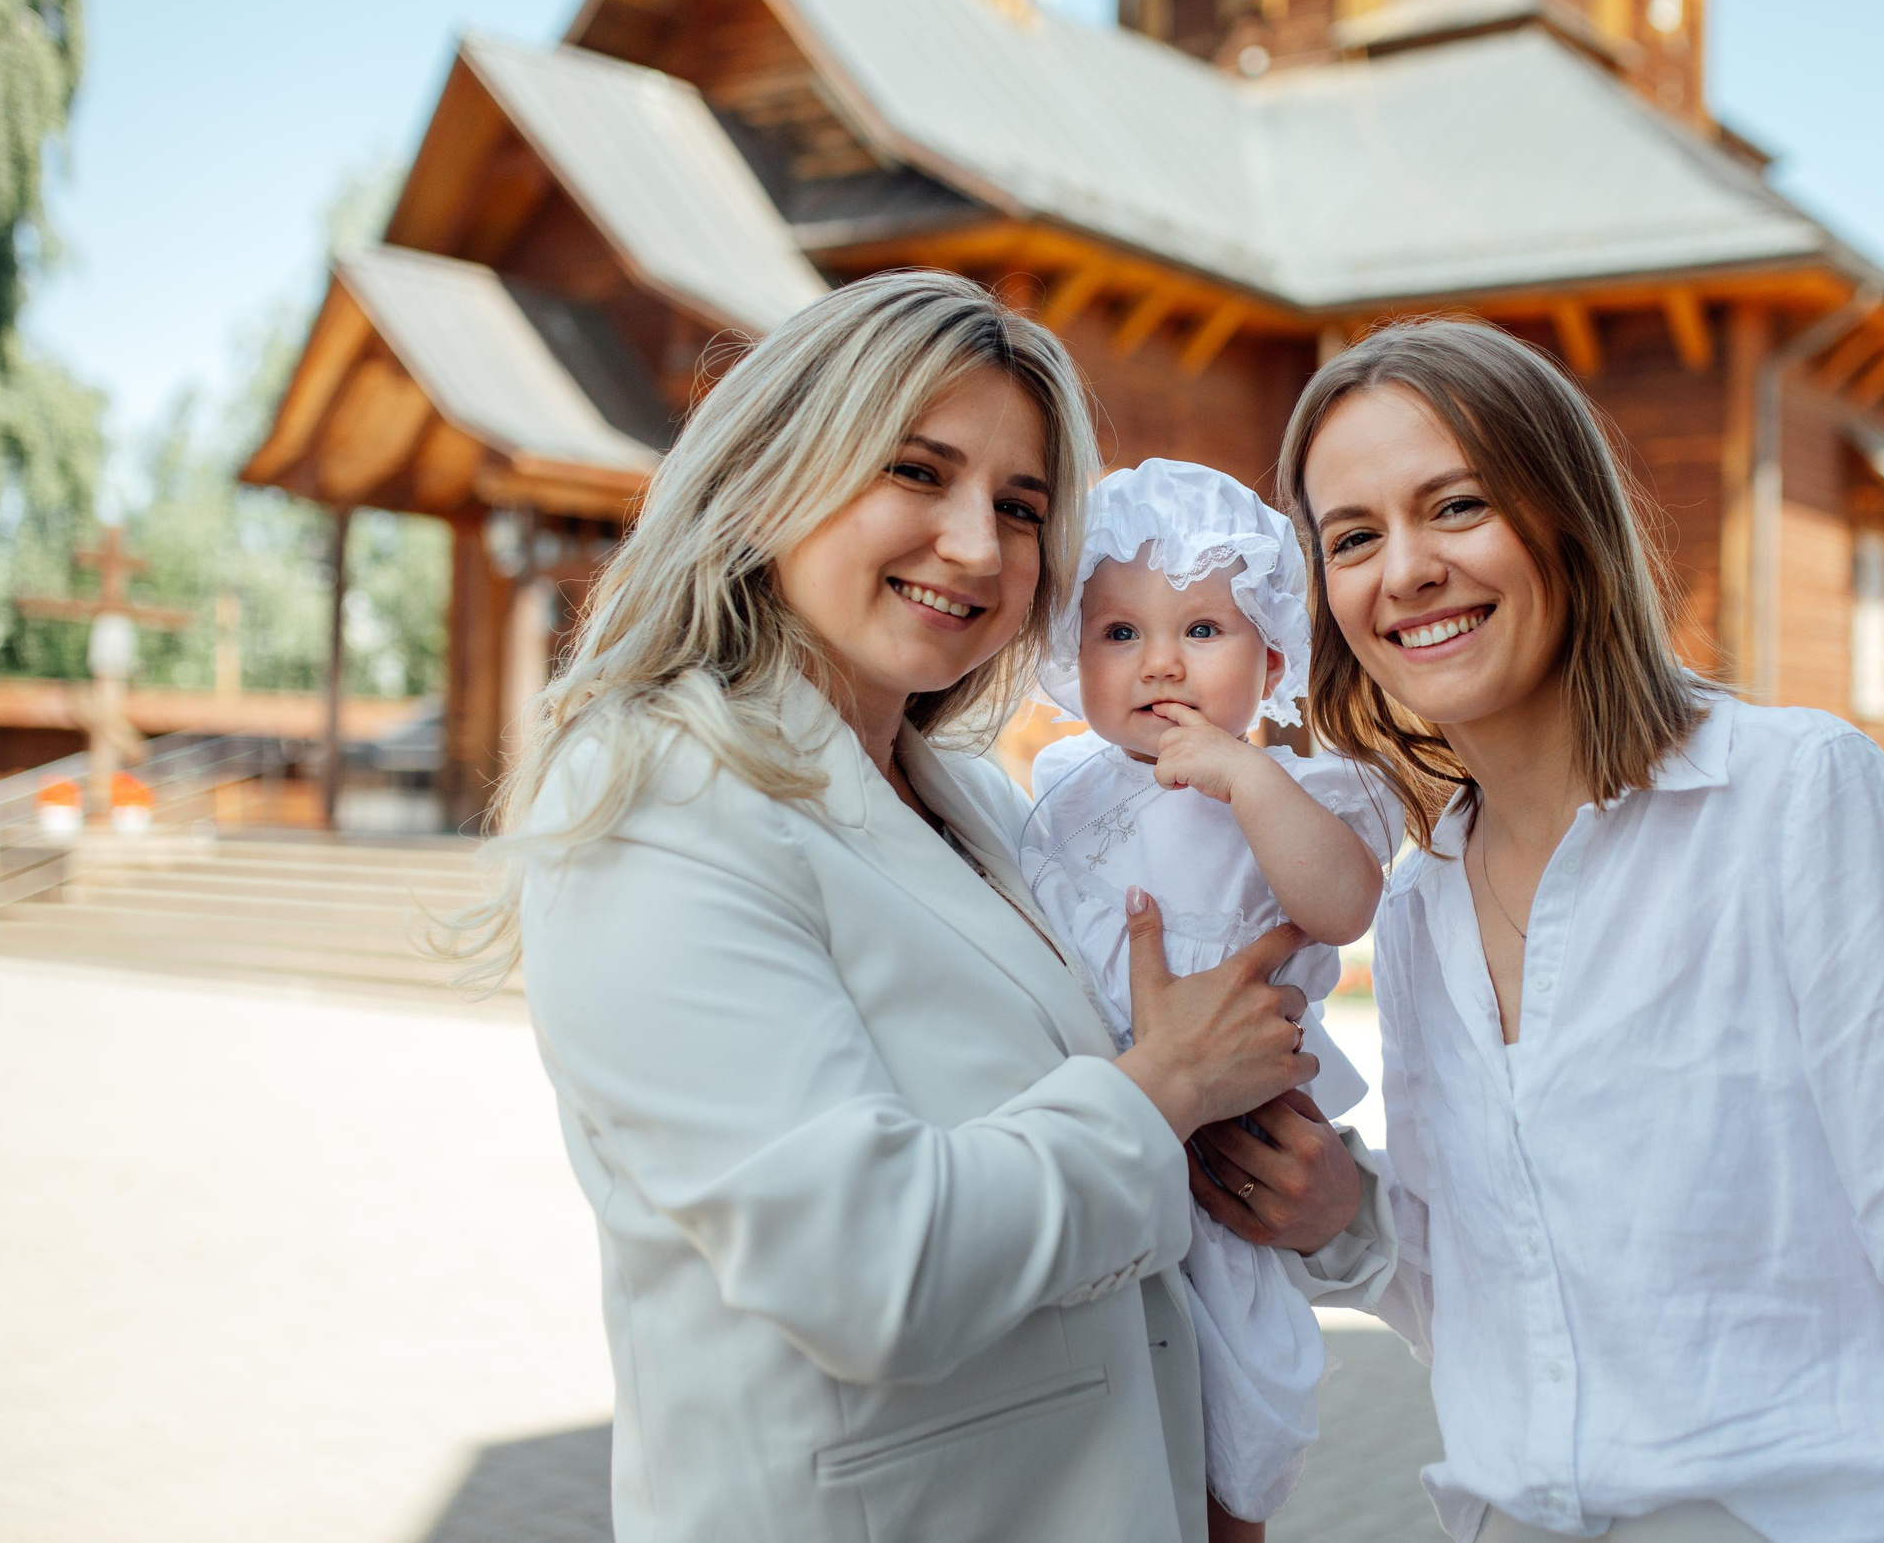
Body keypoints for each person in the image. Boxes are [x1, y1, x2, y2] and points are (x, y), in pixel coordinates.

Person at [455, 271, 1391, 1543]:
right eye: (915, 470)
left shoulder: (985, 805)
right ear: (777, 476)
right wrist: (1164, 1087)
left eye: (1020, 506)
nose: (976, 545)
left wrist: (1321, 1207)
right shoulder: (656, 796)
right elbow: (863, 1269)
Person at [1260, 318, 1884, 1543]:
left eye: (1457, 505)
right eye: (1354, 538)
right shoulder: (1424, 899)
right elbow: (1522, 1316)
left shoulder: (1798, 801)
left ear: (1566, 518)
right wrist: (1349, 1221)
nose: (1407, 569)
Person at [1019, 459, 1403, 1538]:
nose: (1159, 666)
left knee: (1228, 1430)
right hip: (1096, 1133)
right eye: (1119, 634)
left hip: (1225, 1173)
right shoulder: (1067, 790)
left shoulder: (1296, 794)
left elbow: (1337, 907)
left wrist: (1246, 778)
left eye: (1200, 630)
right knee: (1106, 1435)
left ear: (1273, 650)